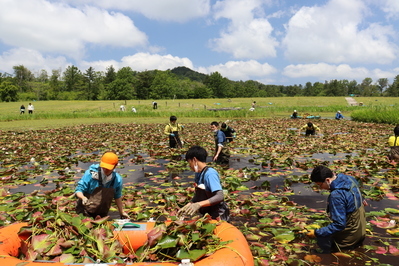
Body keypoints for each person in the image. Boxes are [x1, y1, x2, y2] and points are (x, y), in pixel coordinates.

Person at [307, 165, 366, 253]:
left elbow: (339, 225)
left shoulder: (336, 195)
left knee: (327, 247)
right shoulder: (349, 178)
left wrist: (316, 233)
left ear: (327, 180)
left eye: (320, 185)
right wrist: (363, 199)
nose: (321, 188)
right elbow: (358, 193)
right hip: (362, 230)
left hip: (350, 238)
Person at [178, 145, 229, 221]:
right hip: (207, 212)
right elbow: (199, 195)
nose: (189, 166)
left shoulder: (210, 174)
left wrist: (199, 204)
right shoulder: (198, 173)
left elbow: (219, 196)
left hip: (218, 213)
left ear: (194, 160)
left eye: (189, 162)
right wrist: (189, 205)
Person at [75, 152, 129, 218]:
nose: (105, 169)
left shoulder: (117, 179)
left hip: (102, 213)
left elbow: (117, 196)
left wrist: (121, 212)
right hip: (84, 212)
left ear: (115, 166)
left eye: (108, 168)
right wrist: (83, 197)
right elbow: (79, 190)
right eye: (104, 166)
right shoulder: (90, 174)